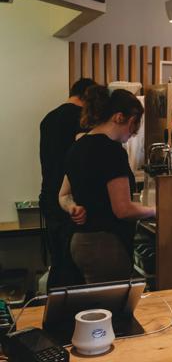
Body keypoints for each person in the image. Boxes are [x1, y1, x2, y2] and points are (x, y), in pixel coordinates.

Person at [59, 85, 156, 284]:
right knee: (111, 309)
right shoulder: (112, 152)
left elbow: (63, 195)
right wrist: (156, 210)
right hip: (105, 246)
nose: (133, 133)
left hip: (79, 243)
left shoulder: (77, 147)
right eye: (133, 124)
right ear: (119, 117)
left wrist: (72, 208)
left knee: (93, 307)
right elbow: (123, 210)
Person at [39, 77, 96, 288]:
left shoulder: (48, 119)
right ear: (87, 96)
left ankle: (54, 313)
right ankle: (69, 314)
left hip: (49, 197)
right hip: (72, 201)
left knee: (58, 264)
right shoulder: (81, 120)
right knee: (72, 271)